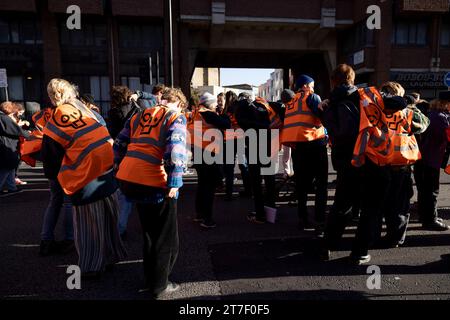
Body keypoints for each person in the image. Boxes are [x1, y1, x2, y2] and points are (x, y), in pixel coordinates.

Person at [42, 78, 126, 278]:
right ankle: (111, 256)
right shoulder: (89, 112)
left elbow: (51, 161)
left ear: (51, 97)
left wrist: (61, 182)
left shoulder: (55, 121)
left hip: (85, 178)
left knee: (89, 227)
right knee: (108, 219)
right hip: (107, 171)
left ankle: (92, 266)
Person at [114, 87, 187, 298]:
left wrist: (119, 166)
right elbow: (175, 149)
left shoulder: (139, 115)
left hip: (130, 177)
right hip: (154, 180)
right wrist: (175, 180)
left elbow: (119, 143)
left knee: (148, 233)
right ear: (180, 104)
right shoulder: (176, 117)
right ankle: (160, 286)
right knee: (165, 237)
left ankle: (150, 277)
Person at [378, 81, 429, 247]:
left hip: (379, 162)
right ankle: (395, 237)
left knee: (379, 202)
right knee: (400, 204)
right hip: (401, 163)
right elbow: (424, 125)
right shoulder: (408, 112)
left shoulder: (374, 109)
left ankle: (373, 235)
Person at [320, 64, 362, 260]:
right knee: (365, 202)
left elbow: (340, 131)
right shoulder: (363, 97)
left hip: (346, 156)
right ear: (352, 79)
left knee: (342, 201)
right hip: (368, 155)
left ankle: (330, 242)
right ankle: (360, 248)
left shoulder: (335, 101)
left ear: (334, 80)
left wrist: (324, 113)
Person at [280, 75, 328, 230]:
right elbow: (322, 115)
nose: (313, 88)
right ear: (306, 86)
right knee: (321, 184)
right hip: (314, 143)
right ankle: (320, 218)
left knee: (301, 184)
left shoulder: (291, 102)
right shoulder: (311, 97)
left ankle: (303, 217)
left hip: (297, 147)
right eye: (312, 85)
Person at [235, 95, 280, 224]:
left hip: (254, 144)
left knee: (256, 181)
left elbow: (242, 123)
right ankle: (271, 213)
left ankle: (260, 215)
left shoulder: (243, 108)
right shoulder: (266, 104)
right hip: (268, 144)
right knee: (269, 179)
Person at [189, 92, 231, 228]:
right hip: (208, 153)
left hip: (198, 152)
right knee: (209, 187)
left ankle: (199, 214)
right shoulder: (207, 113)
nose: (216, 105)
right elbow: (226, 124)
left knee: (202, 185)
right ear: (209, 103)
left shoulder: (196, 113)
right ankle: (207, 219)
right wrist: (224, 113)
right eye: (214, 103)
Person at [414, 91, 450, 231]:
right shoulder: (440, 118)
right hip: (431, 159)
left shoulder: (432, 113)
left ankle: (426, 216)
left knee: (424, 190)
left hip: (423, 158)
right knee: (431, 190)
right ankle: (430, 220)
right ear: (446, 104)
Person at [222, 90, 251, 200]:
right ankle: (248, 190)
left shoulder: (226, 111)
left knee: (229, 168)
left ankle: (228, 193)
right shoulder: (240, 109)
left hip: (229, 139)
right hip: (240, 138)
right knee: (243, 165)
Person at [0, 102, 29, 195]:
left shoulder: (2, 117)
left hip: (5, 144)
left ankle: (12, 187)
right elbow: (15, 130)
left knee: (10, 166)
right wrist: (28, 134)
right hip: (7, 144)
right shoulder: (4, 118)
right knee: (6, 167)